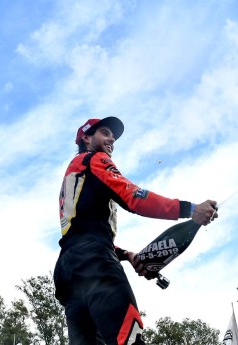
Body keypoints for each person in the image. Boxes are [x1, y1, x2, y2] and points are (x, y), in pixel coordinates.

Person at [54, 116, 218, 345]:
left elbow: (80, 232)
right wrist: (190, 209)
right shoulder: (94, 159)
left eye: (113, 135)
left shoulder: (74, 174)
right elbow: (134, 197)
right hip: (93, 262)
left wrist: (125, 255)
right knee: (127, 339)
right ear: (86, 137)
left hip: (68, 272)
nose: (112, 138)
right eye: (104, 132)